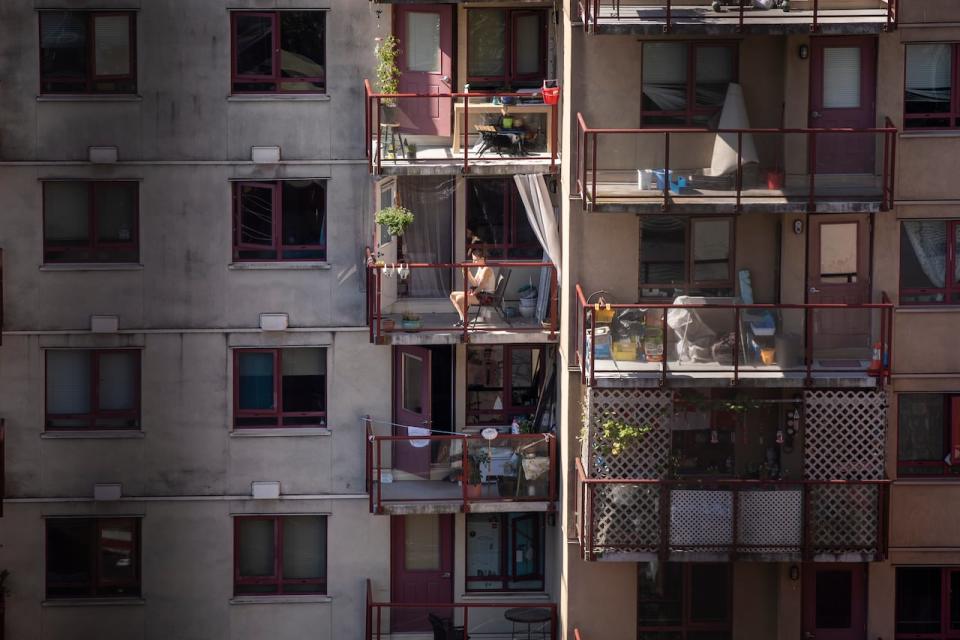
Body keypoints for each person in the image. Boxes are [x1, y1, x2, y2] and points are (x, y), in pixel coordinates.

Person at [450, 247, 495, 327]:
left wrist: (473, 293)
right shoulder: (480, 268)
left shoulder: (486, 269)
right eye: (473, 260)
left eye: (476, 260)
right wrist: (467, 272)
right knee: (453, 295)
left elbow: (482, 285)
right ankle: (463, 319)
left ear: (482, 258)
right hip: (480, 293)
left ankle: (465, 321)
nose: (474, 262)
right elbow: (475, 283)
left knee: (460, 299)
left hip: (487, 296)